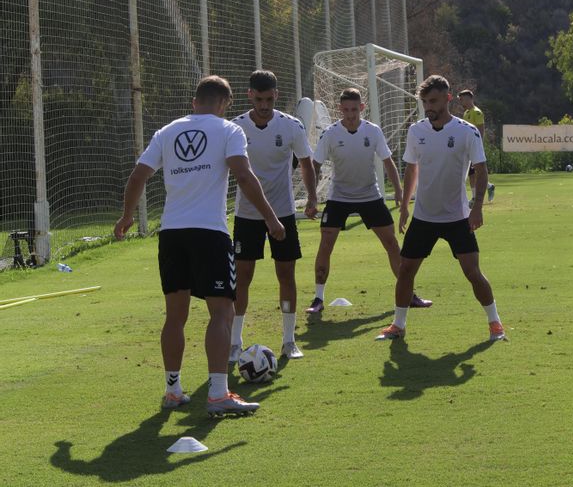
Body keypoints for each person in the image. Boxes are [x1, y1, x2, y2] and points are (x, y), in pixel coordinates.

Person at [114, 75, 282, 416]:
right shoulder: (229, 130)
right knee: (222, 312)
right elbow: (245, 177)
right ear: (224, 104)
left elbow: (137, 176)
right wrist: (271, 218)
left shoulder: (167, 131)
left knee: (175, 316)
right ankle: (218, 393)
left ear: (195, 102)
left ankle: (172, 390)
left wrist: (127, 216)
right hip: (209, 233)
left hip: (172, 234)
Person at [375, 75, 505, 342]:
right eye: (425, 102)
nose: (429, 107)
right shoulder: (416, 131)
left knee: (472, 272)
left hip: (457, 217)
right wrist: (404, 207)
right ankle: (398, 325)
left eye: (433, 101)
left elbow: (481, 170)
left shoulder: (466, 131)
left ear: (447, 99)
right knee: (406, 271)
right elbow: (412, 168)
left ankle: (495, 324)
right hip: (423, 217)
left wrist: (477, 208)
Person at [305, 88, 432, 313]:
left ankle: (409, 294)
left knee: (392, 244)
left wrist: (399, 191)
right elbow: (315, 165)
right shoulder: (331, 134)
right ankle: (318, 299)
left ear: (362, 108)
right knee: (326, 244)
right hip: (339, 196)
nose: (350, 114)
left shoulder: (373, 131)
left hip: (370, 195)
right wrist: (312, 198)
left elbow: (388, 162)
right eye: (346, 110)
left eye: (354, 109)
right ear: (339, 110)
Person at [228, 70, 318, 362]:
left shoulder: (291, 126)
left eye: (269, 99)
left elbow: (306, 163)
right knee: (243, 277)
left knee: (286, 275)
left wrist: (313, 196)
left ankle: (289, 341)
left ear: (276, 96)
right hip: (246, 214)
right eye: (259, 99)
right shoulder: (235, 128)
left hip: (283, 214)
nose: (264, 105)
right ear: (249, 95)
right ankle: (234, 341)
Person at [458, 89, 495, 204]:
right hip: (467, 146)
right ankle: (486, 188)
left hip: (474, 146)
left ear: (469, 98)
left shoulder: (477, 112)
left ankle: (477, 196)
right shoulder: (466, 113)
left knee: (475, 171)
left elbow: (480, 130)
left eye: (462, 99)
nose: (461, 102)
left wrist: (478, 145)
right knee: (471, 173)